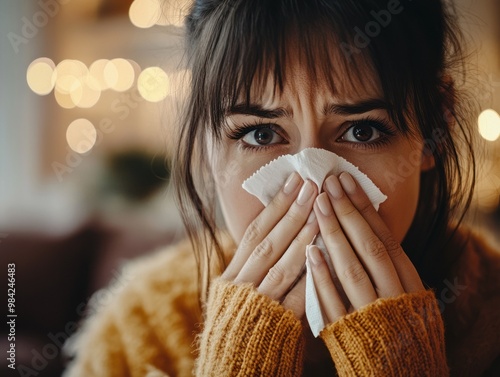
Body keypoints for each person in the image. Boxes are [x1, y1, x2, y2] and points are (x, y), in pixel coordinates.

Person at [64, 0, 500, 376]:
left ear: (434, 130)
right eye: (261, 135)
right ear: (206, 146)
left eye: (363, 131)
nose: (312, 187)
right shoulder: (137, 337)